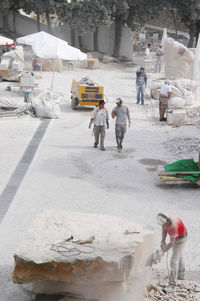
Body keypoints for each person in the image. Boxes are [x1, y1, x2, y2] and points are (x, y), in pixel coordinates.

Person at [156, 213, 187, 293]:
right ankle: (181, 275)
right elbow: (164, 229)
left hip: (181, 239)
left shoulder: (173, 225)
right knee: (178, 255)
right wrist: (163, 240)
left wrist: (162, 252)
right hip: (177, 235)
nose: (163, 226)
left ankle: (172, 285)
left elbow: (172, 243)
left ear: (167, 222)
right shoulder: (164, 219)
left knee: (173, 262)